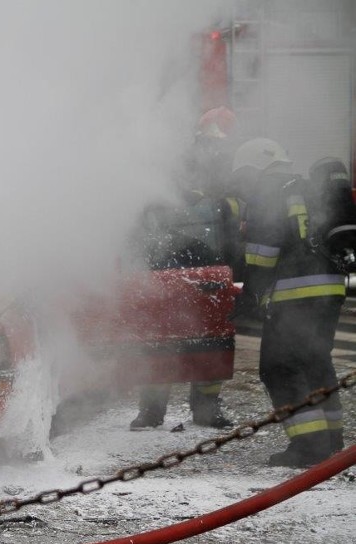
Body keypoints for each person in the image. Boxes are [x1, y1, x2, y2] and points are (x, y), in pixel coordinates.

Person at [233, 137, 345, 467]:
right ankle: (332, 437)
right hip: (330, 291)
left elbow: (263, 254)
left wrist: (249, 295)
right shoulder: (309, 187)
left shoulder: (269, 192)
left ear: (256, 168)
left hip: (294, 294)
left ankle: (309, 446)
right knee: (316, 361)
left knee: (279, 367)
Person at [130, 107, 240, 431]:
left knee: (211, 337)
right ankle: (151, 409)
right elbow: (149, 210)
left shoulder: (229, 168)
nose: (218, 146)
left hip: (209, 261)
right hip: (167, 260)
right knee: (159, 338)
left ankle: (205, 408)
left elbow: (231, 214)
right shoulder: (181, 163)